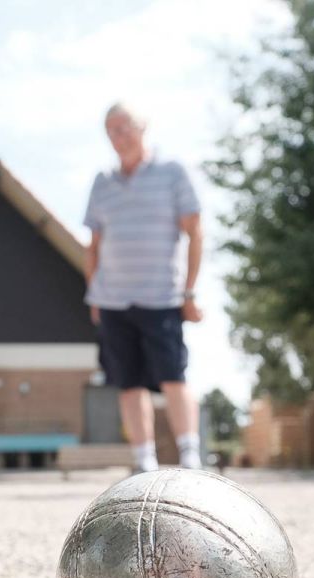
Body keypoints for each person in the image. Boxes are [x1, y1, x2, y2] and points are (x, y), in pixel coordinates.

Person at [84, 102, 204, 472]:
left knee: (173, 375)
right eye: (111, 131)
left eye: (124, 128)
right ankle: (143, 459)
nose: (119, 137)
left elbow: (194, 231)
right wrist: (93, 292)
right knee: (128, 381)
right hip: (113, 298)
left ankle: (189, 454)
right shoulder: (102, 183)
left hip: (162, 295)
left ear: (143, 128)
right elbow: (94, 244)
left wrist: (189, 291)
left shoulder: (171, 173)